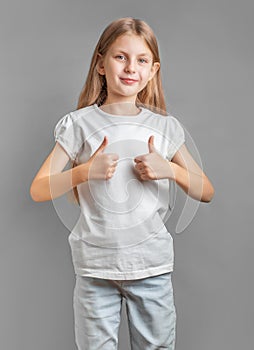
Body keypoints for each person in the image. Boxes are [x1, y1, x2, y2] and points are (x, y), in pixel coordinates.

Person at [30, 17, 214, 350]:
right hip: (95, 268)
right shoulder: (78, 124)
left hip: (152, 267)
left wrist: (169, 170)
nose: (131, 68)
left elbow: (206, 191)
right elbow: (39, 189)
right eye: (120, 57)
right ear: (100, 63)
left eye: (141, 60)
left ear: (153, 70)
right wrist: (83, 171)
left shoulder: (166, 128)